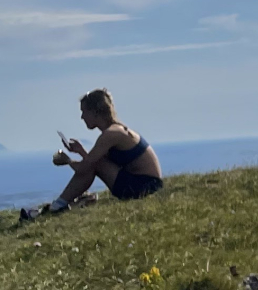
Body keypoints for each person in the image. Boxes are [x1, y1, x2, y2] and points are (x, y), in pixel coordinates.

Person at [20, 88, 163, 219]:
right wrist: (80, 151)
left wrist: (67, 160)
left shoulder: (110, 134)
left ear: (95, 112)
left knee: (94, 164)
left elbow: (86, 167)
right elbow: (93, 161)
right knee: (95, 163)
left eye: (84, 112)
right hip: (147, 184)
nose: (82, 117)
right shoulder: (116, 130)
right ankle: (59, 204)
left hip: (144, 187)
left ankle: (58, 206)